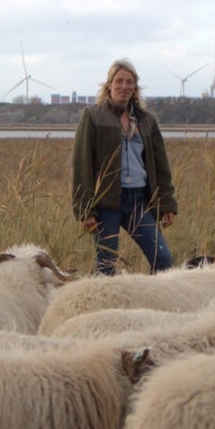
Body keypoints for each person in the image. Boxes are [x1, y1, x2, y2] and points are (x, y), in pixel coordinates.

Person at [72, 59, 177, 274]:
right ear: (109, 84)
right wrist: (85, 210)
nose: (124, 86)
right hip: (106, 204)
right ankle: (105, 307)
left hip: (139, 202)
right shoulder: (92, 116)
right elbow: (82, 165)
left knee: (164, 260)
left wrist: (167, 203)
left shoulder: (146, 120)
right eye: (119, 81)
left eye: (130, 82)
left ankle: (152, 304)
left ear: (135, 88)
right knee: (106, 267)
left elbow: (161, 165)